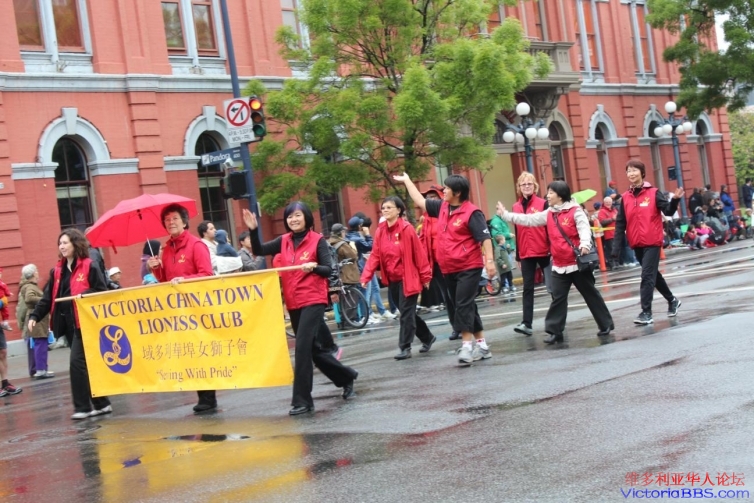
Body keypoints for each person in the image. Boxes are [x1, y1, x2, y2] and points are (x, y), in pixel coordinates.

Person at [243, 202, 358, 415]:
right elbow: (259, 250)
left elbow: (328, 269)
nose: (293, 220)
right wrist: (253, 229)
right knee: (313, 350)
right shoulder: (283, 240)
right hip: (293, 301)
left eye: (297, 215)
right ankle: (346, 377)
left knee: (302, 349)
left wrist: (314, 267)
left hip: (313, 299)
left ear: (306, 217)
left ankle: (302, 401)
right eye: (289, 217)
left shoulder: (317, 240)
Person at [395, 172, 497, 366]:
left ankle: (466, 346)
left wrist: (490, 261)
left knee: (462, 304)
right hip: (448, 267)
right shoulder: (442, 207)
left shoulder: (472, 212)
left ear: (457, 193)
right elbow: (419, 201)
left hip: (469, 265)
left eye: (447, 188)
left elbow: (485, 238)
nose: (444, 191)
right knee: (466, 304)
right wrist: (407, 180)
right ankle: (482, 345)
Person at [497, 181, 614, 343]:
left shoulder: (575, 211)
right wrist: (505, 215)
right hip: (559, 264)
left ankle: (605, 324)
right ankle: (555, 331)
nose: (548, 196)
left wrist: (585, 245)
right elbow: (528, 220)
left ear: (560, 195)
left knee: (590, 294)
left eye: (551, 193)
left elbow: (584, 230)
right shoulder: (549, 213)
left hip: (577, 262)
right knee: (558, 298)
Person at [29, 229, 109, 418]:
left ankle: (83, 408)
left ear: (75, 244)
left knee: (76, 363)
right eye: (60, 243)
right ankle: (102, 404)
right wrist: (35, 316)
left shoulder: (89, 265)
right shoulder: (57, 271)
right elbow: (48, 297)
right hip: (67, 324)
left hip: (86, 323)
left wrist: (85, 294)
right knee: (86, 365)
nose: (62, 246)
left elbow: (101, 291)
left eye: (65, 243)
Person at [147, 204, 218, 414]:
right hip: (177, 311)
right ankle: (202, 394)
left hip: (197, 308)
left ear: (185, 221)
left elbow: (207, 275)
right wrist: (156, 269)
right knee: (189, 351)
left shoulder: (196, 245)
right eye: (167, 220)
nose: (171, 223)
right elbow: (166, 281)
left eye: (175, 218)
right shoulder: (166, 249)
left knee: (200, 350)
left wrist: (185, 280)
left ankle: (208, 397)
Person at [360, 196, 436, 360]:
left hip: (409, 278)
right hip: (392, 279)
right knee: (407, 312)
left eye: (389, 207)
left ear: (399, 210)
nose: (385, 210)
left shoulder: (407, 229)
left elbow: (419, 253)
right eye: (383, 208)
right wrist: (366, 276)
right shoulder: (380, 231)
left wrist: (426, 276)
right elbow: (375, 255)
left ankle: (405, 347)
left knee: (406, 314)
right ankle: (427, 337)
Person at [612, 160, 683, 325]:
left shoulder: (654, 193)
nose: (631, 173)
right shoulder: (626, 197)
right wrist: (616, 248)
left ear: (642, 173)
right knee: (653, 275)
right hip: (636, 243)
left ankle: (646, 312)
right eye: (629, 171)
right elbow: (620, 223)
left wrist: (675, 200)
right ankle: (672, 300)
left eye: (634, 170)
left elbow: (668, 211)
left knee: (646, 276)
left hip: (652, 242)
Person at [510, 172, 551, 337]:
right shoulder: (515, 207)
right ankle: (526, 323)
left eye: (529, 184)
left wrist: (552, 249)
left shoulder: (543, 203)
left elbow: (549, 227)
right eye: (523, 184)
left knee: (553, 287)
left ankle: (556, 321)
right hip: (526, 252)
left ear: (535, 186)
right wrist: (518, 255)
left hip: (544, 250)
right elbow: (517, 231)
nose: (526, 186)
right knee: (527, 288)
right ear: (519, 187)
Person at [418, 185, 455, 324]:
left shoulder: (448, 213)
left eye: (433, 197)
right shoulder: (426, 218)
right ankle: (456, 326)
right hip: (436, 263)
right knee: (447, 296)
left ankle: (468, 326)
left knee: (456, 296)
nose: (430, 200)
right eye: (428, 198)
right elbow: (423, 240)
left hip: (450, 260)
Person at [346, 216, 390, 324]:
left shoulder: (348, 236)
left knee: (364, 293)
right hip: (362, 267)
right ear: (359, 226)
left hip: (357, 268)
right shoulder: (357, 238)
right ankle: (366, 316)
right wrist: (367, 234)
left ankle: (366, 315)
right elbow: (371, 246)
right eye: (361, 224)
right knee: (366, 293)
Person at [19, 264, 54, 379]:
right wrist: (45, 300)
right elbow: (29, 298)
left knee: (39, 344)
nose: (38, 272)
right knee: (41, 344)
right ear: (34, 273)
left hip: (36, 318)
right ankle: (41, 370)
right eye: (37, 271)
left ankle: (40, 369)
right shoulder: (30, 287)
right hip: (37, 319)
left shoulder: (29, 286)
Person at [328, 223, 361, 330]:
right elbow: (353, 256)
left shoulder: (329, 243)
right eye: (344, 231)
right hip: (348, 275)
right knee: (351, 300)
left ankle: (342, 322)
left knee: (341, 301)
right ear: (341, 232)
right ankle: (349, 322)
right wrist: (353, 246)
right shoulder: (343, 244)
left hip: (336, 276)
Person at [597, 196, 618, 269]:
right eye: (607, 202)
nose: (608, 203)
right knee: (610, 250)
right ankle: (611, 264)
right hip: (609, 234)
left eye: (609, 202)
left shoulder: (615, 210)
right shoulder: (602, 211)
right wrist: (612, 219)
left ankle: (616, 263)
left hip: (616, 233)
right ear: (604, 203)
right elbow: (602, 222)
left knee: (617, 249)